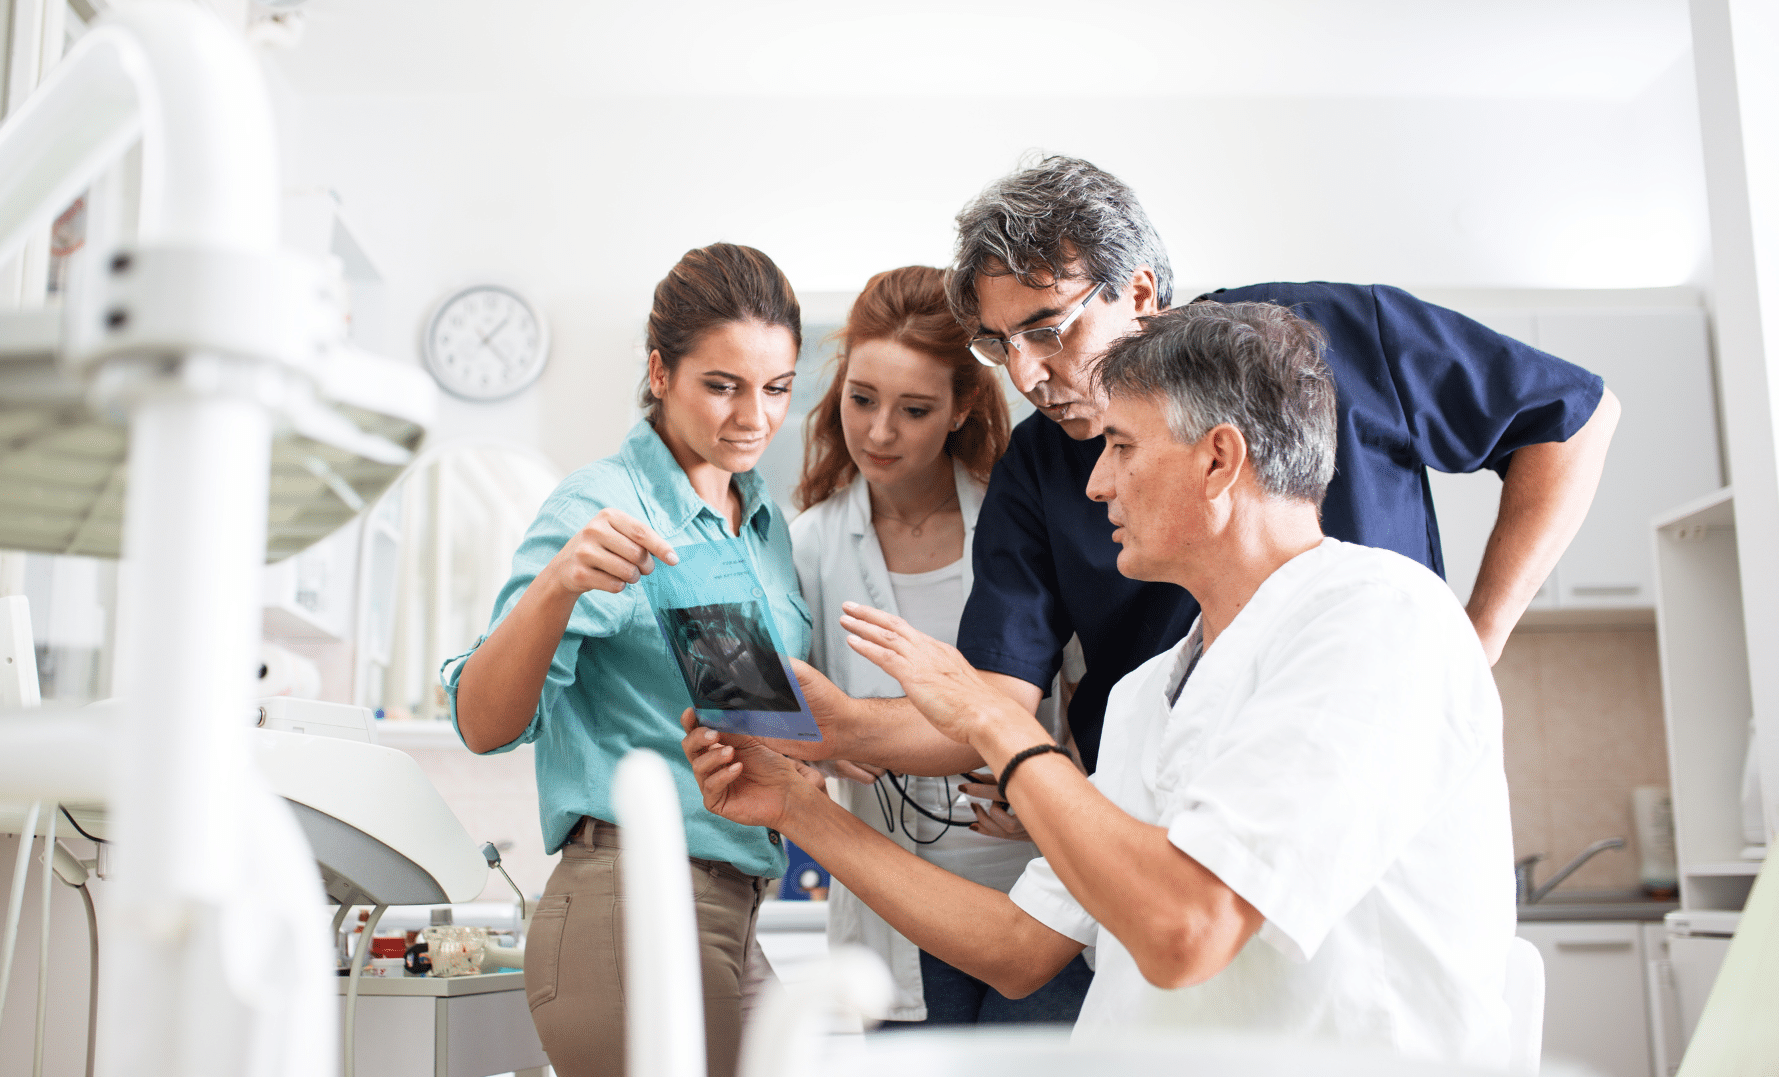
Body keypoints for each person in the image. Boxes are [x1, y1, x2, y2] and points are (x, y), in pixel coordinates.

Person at [684, 302, 1516, 1066]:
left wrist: (990, 720)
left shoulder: (1377, 618)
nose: (1095, 484)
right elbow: (1019, 946)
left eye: (1121, 446)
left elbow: (1186, 930)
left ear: (1218, 459)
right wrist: (799, 809)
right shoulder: (1149, 691)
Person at [779, 155, 1619, 776]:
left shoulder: (1329, 338)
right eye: (998, 345)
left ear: (1140, 295)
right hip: (1168, 809)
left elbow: (1572, 419)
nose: (1027, 377)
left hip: (1382, 760)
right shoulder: (1043, 466)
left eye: (1048, 329)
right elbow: (996, 702)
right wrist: (843, 725)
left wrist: (1477, 641)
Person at [441, 243, 809, 1077]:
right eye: (723, 385)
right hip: (633, 898)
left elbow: (749, 716)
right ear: (659, 372)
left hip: (736, 900)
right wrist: (557, 586)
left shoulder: (763, 528)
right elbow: (481, 724)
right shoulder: (600, 503)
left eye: (777, 388)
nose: (754, 415)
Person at [789, 265, 1091, 1025]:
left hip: (1040, 895)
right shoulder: (812, 545)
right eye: (862, 400)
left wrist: (1051, 790)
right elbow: (785, 717)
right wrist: (826, 746)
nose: (880, 432)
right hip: (896, 909)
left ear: (960, 409)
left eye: (915, 409)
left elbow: (1093, 700)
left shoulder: (1018, 527)